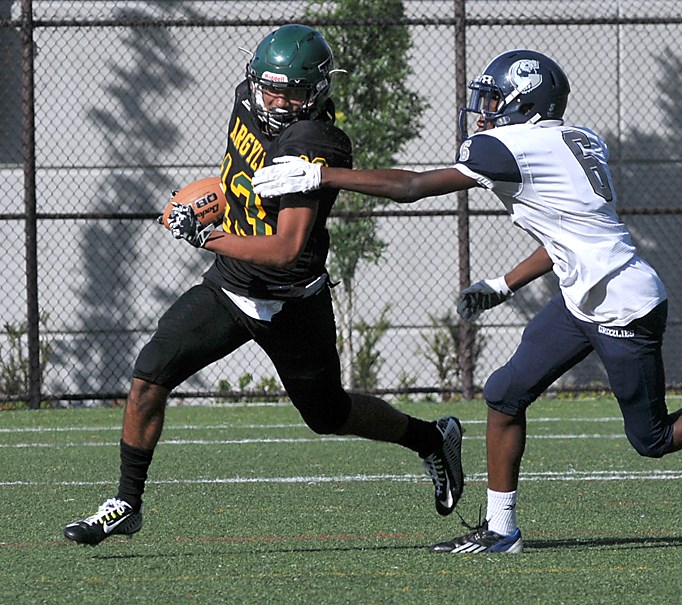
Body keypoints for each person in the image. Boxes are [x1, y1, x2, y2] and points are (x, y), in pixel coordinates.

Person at [250, 48, 682, 554]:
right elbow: (566, 233)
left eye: (493, 98)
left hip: (621, 307)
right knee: (505, 393)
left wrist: (320, 176)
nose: (483, 110)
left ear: (524, 102)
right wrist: (504, 285)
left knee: (653, 439)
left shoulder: (513, 148)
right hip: (581, 292)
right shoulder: (575, 139)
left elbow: (412, 187)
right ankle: (502, 531)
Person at [63, 24, 464, 547]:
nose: (276, 100)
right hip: (231, 286)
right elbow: (235, 176)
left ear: (317, 90)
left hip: (291, 299)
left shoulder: (313, 142)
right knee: (149, 376)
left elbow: (284, 250)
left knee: (329, 415)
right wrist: (214, 203)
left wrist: (208, 235)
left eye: (292, 92)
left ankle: (432, 437)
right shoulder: (247, 98)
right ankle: (127, 503)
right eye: (269, 87)